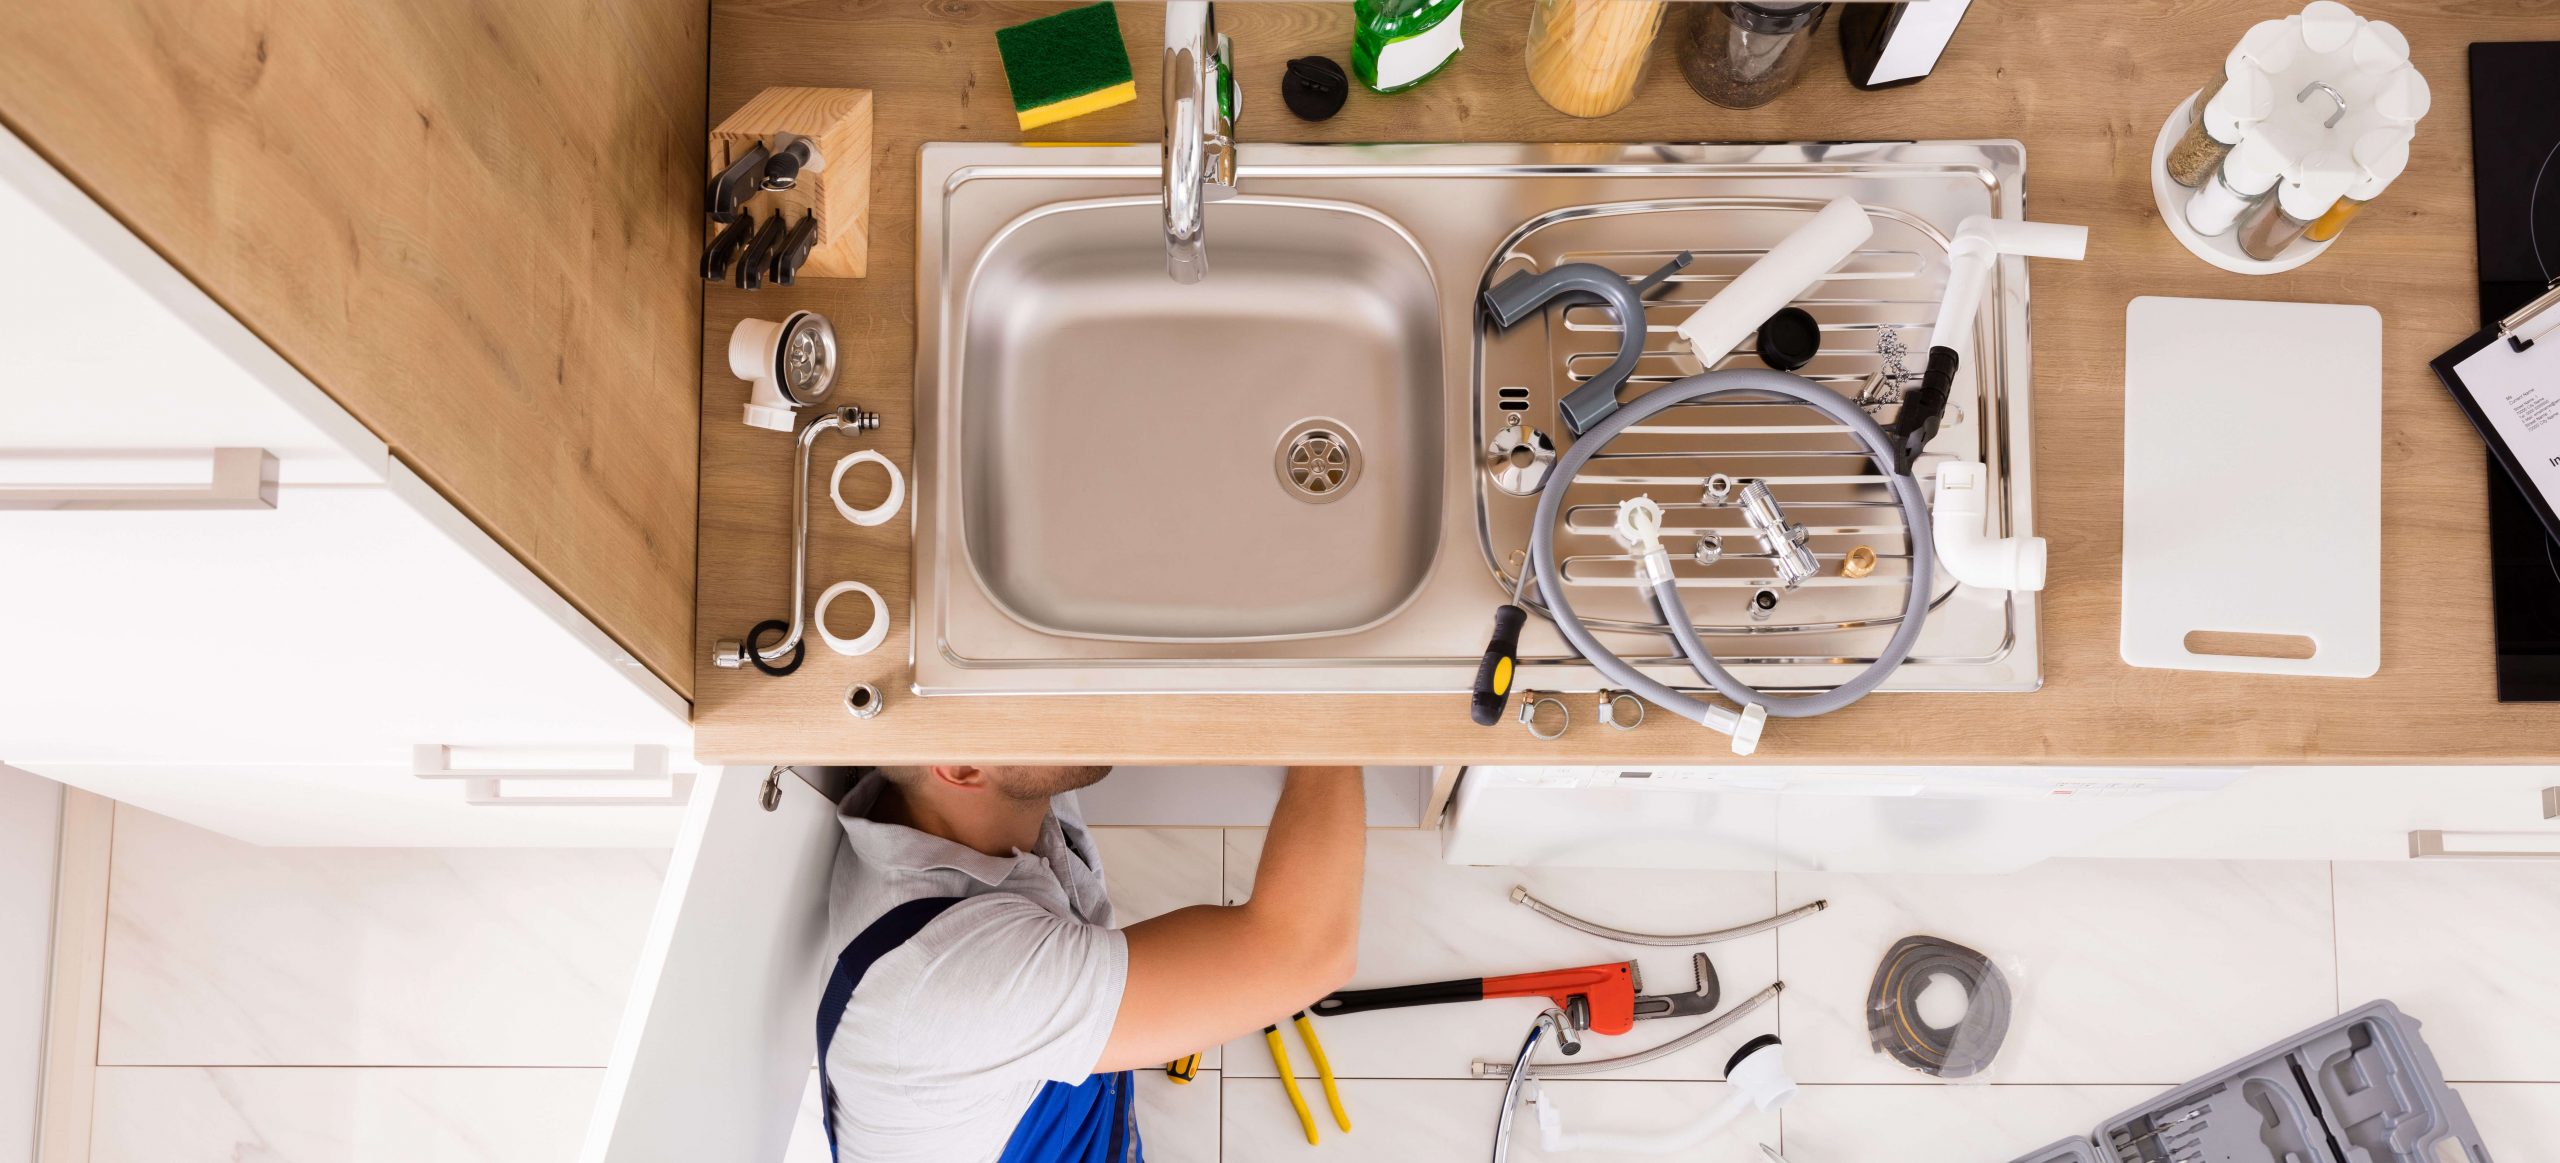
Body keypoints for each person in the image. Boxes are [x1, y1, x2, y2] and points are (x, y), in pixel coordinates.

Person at [818, 765, 1365, 1162]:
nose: (1072, 693)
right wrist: (1328, 715)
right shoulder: (955, 976)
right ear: (959, 768)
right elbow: (1305, 951)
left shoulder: (984, 790)